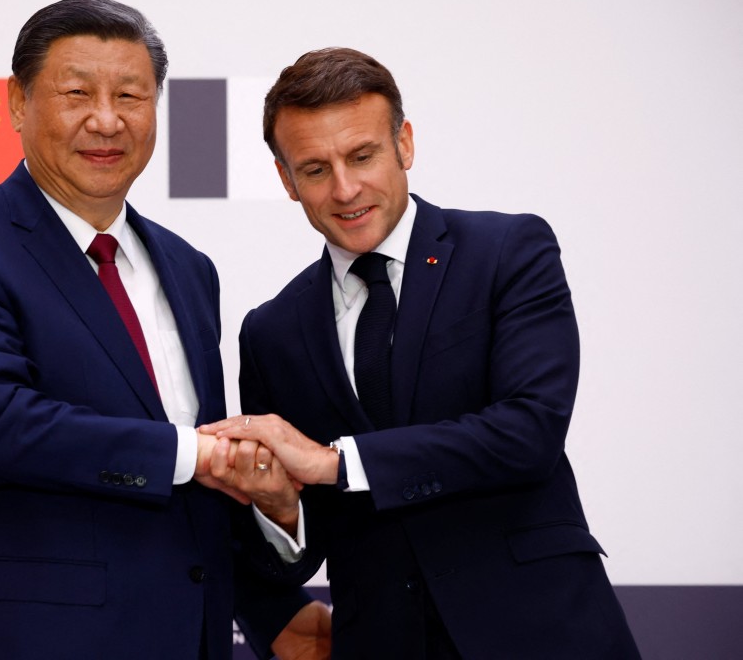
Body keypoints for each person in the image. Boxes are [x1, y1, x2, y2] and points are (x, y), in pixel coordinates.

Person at [0, 0, 327, 659]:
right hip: (33, 644)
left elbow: (194, 490)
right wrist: (201, 455)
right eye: (76, 93)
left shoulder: (189, 268)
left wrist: (273, 520)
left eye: (130, 95)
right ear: (17, 102)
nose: (106, 119)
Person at [201, 47, 641, 658]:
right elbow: (297, 548)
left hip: (541, 630)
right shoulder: (271, 331)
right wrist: (280, 509)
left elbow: (528, 432)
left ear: (403, 144)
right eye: (316, 169)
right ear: (286, 180)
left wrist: (336, 463)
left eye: (362, 156)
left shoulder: (507, 250)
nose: (345, 189)